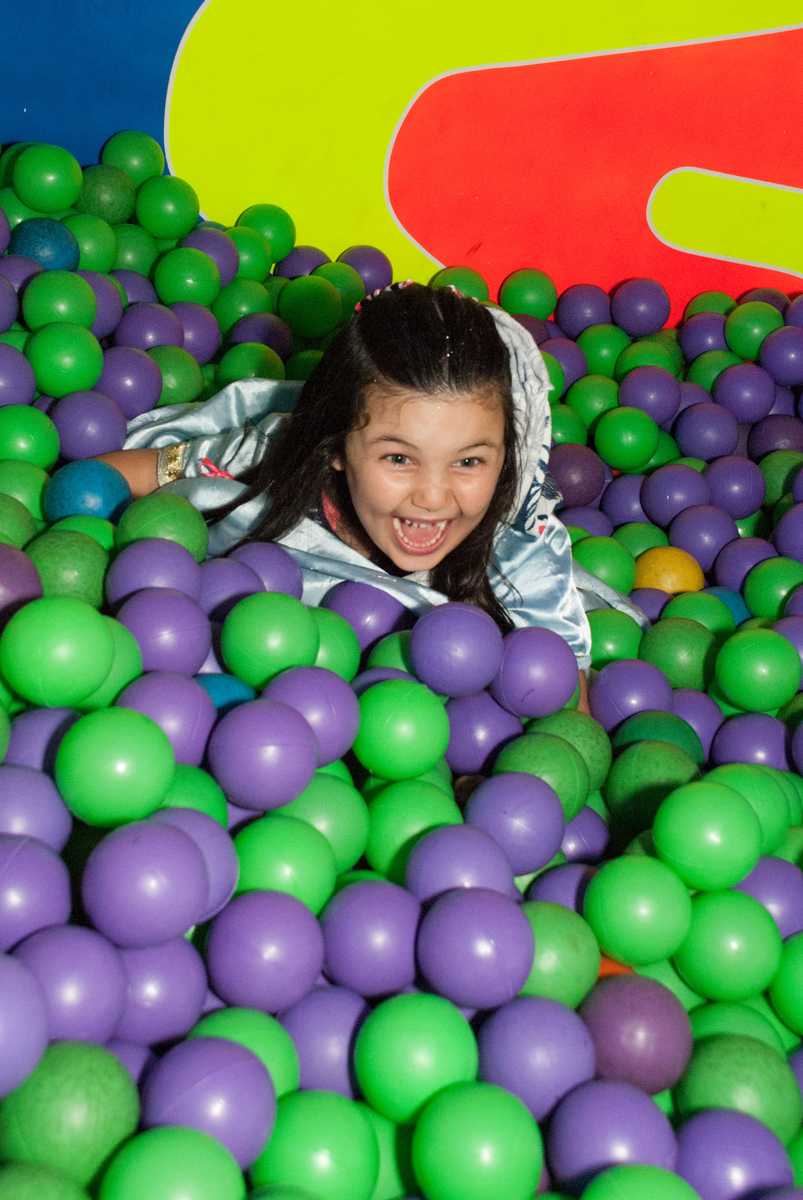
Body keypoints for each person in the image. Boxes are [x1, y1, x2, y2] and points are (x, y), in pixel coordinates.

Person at [100, 282, 645, 710]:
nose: (433, 497)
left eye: (470, 461)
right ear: (336, 445)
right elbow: (117, 475)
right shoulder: (271, 455)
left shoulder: (519, 551)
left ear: (505, 455)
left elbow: (566, 711)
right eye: (399, 459)